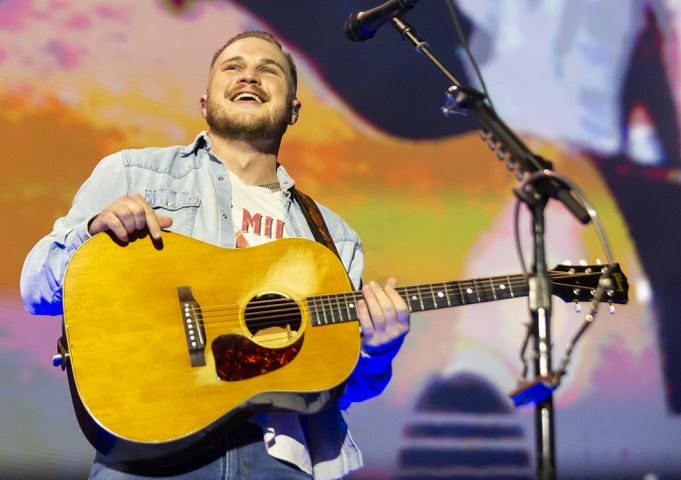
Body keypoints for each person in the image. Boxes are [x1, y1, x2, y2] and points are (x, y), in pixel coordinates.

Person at [20, 31, 410, 480]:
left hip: (283, 462)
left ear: (294, 110)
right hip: (154, 446)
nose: (250, 75)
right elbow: (36, 289)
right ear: (205, 103)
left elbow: (335, 386)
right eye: (233, 66)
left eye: (269, 70)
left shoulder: (334, 238)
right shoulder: (133, 173)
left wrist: (378, 352)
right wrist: (92, 235)